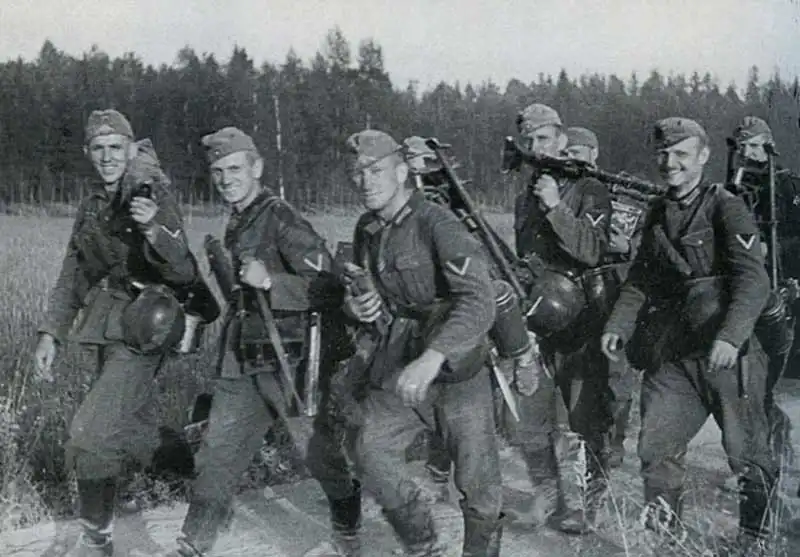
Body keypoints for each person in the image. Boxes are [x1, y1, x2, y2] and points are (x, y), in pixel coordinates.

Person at [309, 129, 505, 557]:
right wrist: (355, 307)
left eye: (375, 170)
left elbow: (480, 300)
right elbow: (375, 293)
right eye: (357, 173)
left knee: (478, 484)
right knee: (368, 448)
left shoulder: (438, 224)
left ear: (401, 172)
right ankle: (422, 541)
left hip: (456, 370)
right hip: (400, 361)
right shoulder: (367, 228)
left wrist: (434, 356)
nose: (365, 181)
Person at [32, 109, 210, 557]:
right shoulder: (93, 205)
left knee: (90, 436)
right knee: (131, 433)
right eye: (99, 148)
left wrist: (152, 226)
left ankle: (96, 541)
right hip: (106, 325)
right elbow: (74, 272)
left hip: (145, 328)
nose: (108, 156)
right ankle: (206, 455)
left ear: (131, 148)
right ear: (87, 152)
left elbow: (184, 270)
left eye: (116, 147)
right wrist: (51, 332)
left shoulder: (151, 193)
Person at [165, 127, 347, 557]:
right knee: (218, 450)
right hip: (244, 357)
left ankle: (348, 524)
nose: (226, 179)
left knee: (316, 451)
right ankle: (195, 542)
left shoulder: (281, 217)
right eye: (218, 172)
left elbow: (330, 286)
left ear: (257, 168)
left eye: (234, 169)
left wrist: (271, 283)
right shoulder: (239, 220)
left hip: (289, 360)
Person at [601, 117, 776, 555]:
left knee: (746, 452)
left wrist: (731, 337)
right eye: (663, 154)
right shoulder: (658, 212)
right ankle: (665, 537)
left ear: (703, 156)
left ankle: (756, 538)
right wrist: (619, 324)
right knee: (656, 446)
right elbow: (642, 278)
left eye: (681, 154)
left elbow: (754, 280)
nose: (670, 163)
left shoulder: (725, 207)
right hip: (676, 354)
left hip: (728, 355)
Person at [509, 105, 614, 534]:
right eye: (528, 142)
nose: (535, 149)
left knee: (586, 420)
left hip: (582, 323)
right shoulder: (525, 196)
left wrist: (555, 207)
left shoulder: (591, 189)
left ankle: (593, 507)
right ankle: (549, 500)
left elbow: (591, 250)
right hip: (540, 317)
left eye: (543, 140)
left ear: (561, 140)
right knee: (531, 419)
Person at [563, 126, 649, 468]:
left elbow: (653, 244)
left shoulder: (625, 193)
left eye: (576, 152)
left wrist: (629, 247)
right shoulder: (564, 192)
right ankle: (587, 442)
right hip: (578, 295)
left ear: (594, 153)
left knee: (616, 375)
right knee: (579, 373)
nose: (570, 159)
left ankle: (613, 441)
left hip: (617, 293)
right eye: (565, 152)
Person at [727, 116, 800, 476]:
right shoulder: (734, 185)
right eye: (743, 147)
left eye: (755, 146)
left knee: (769, 375)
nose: (748, 153)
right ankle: (760, 457)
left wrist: (775, 250)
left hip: (781, 285)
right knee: (747, 376)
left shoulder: (786, 186)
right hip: (744, 289)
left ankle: (774, 449)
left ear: (769, 147)